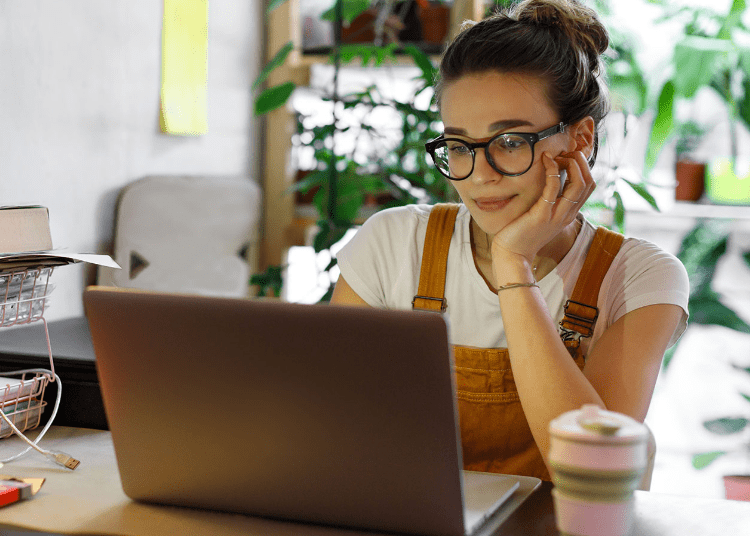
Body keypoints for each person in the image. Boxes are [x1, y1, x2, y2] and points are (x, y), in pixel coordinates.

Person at [330, 0, 689, 481]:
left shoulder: (640, 277)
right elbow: (331, 429)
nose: (479, 176)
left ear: (579, 140)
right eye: (459, 147)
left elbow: (596, 470)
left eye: (511, 142)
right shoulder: (393, 242)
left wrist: (513, 264)